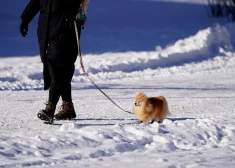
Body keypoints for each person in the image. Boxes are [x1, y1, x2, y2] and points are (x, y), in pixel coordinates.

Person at [20, 0, 89, 123]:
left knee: (56, 67)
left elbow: (80, 9)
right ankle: (68, 107)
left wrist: (78, 17)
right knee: (61, 70)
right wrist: (25, 19)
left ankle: (50, 108)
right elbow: (35, 3)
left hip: (65, 34)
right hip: (46, 34)